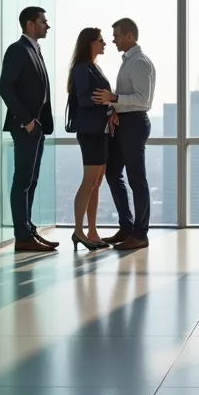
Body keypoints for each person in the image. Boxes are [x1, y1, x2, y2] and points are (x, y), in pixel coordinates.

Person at [92, 18, 155, 251]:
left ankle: (140, 233)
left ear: (130, 36)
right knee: (113, 172)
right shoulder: (128, 61)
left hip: (135, 124)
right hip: (124, 123)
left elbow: (143, 100)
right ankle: (127, 227)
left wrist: (114, 98)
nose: (113, 40)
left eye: (117, 36)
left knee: (137, 178)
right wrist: (115, 108)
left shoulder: (139, 62)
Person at [0, 6, 58, 253]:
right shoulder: (18, 50)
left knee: (31, 180)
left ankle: (28, 229)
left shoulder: (35, 50)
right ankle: (22, 236)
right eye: (43, 21)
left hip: (37, 127)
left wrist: (37, 124)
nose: (48, 25)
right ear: (30, 24)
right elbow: (5, 88)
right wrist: (28, 121)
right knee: (22, 180)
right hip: (26, 126)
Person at [66, 27, 113, 251]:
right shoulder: (82, 68)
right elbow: (84, 99)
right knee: (89, 181)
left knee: (96, 183)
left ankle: (92, 231)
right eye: (100, 40)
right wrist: (105, 99)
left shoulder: (93, 66)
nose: (104, 44)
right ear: (90, 43)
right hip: (90, 132)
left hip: (101, 131)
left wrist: (110, 106)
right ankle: (78, 231)